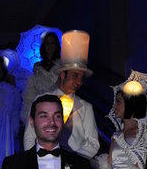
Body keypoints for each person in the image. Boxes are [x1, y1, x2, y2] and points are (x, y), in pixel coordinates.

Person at [23, 31, 100, 159]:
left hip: (74, 165)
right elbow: (30, 136)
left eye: (82, 78)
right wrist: (33, 162)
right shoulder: (41, 101)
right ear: (63, 75)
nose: (79, 82)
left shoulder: (86, 107)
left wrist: (74, 161)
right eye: (75, 76)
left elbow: (93, 143)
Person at [21, 32, 61, 129]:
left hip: (55, 103)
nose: (50, 46)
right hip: (38, 105)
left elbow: (62, 86)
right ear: (43, 46)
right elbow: (32, 89)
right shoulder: (37, 65)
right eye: (47, 43)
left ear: (56, 45)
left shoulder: (62, 65)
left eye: (52, 43)